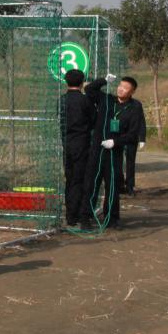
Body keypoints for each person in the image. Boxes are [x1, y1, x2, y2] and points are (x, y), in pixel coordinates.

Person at [84, 75, 142, 229]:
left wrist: (116, 142)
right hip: (97, 149)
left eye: (126, 88)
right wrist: (103, 80)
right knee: (92, 183)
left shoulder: (134, 107)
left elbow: (132, 133)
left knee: (112, 186)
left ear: (132, 92)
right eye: (120, 86)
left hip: (114, 152)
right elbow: (89, 89)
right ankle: (86, 216)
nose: (121, 89)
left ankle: (111, 218)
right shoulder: (107, 100)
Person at [59, 69, 96, 227]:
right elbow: (94, 120)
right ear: (82, 83)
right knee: (82, 180)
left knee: (70, 179)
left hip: (67, 143)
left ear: (66, 82)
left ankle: (70, 216)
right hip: (83, 143)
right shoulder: (84, 100)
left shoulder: (62, 100)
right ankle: (82, 216)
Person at [120, 97, 147, 195]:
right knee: (117, 162)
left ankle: (130, 186)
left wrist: (142, 138)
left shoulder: (136, 104)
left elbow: (141, 121)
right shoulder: (114, 103)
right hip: (117, 137)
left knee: (130, 162)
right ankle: (120, 185)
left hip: (132, 137)